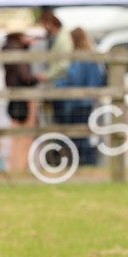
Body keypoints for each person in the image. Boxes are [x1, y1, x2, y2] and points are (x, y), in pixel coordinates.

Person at [53, 27, 105, 167]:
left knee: (78, 135)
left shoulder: (80, 58)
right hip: (88, 102)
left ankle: (86, 163)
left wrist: (57, 84)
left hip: (77, 102)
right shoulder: (92, 57)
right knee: (83, 134)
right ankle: (87, 163)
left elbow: (74, 79)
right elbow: (99, 79)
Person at [3, 32, 39, 172]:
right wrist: (37, 79)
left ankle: (15, 166)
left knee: (16, 138)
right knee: (24, 137)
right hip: (24, 98)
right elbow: (25, 77)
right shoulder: (18, 54)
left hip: (13, 98)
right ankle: (21, 167)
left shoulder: (6, 50)